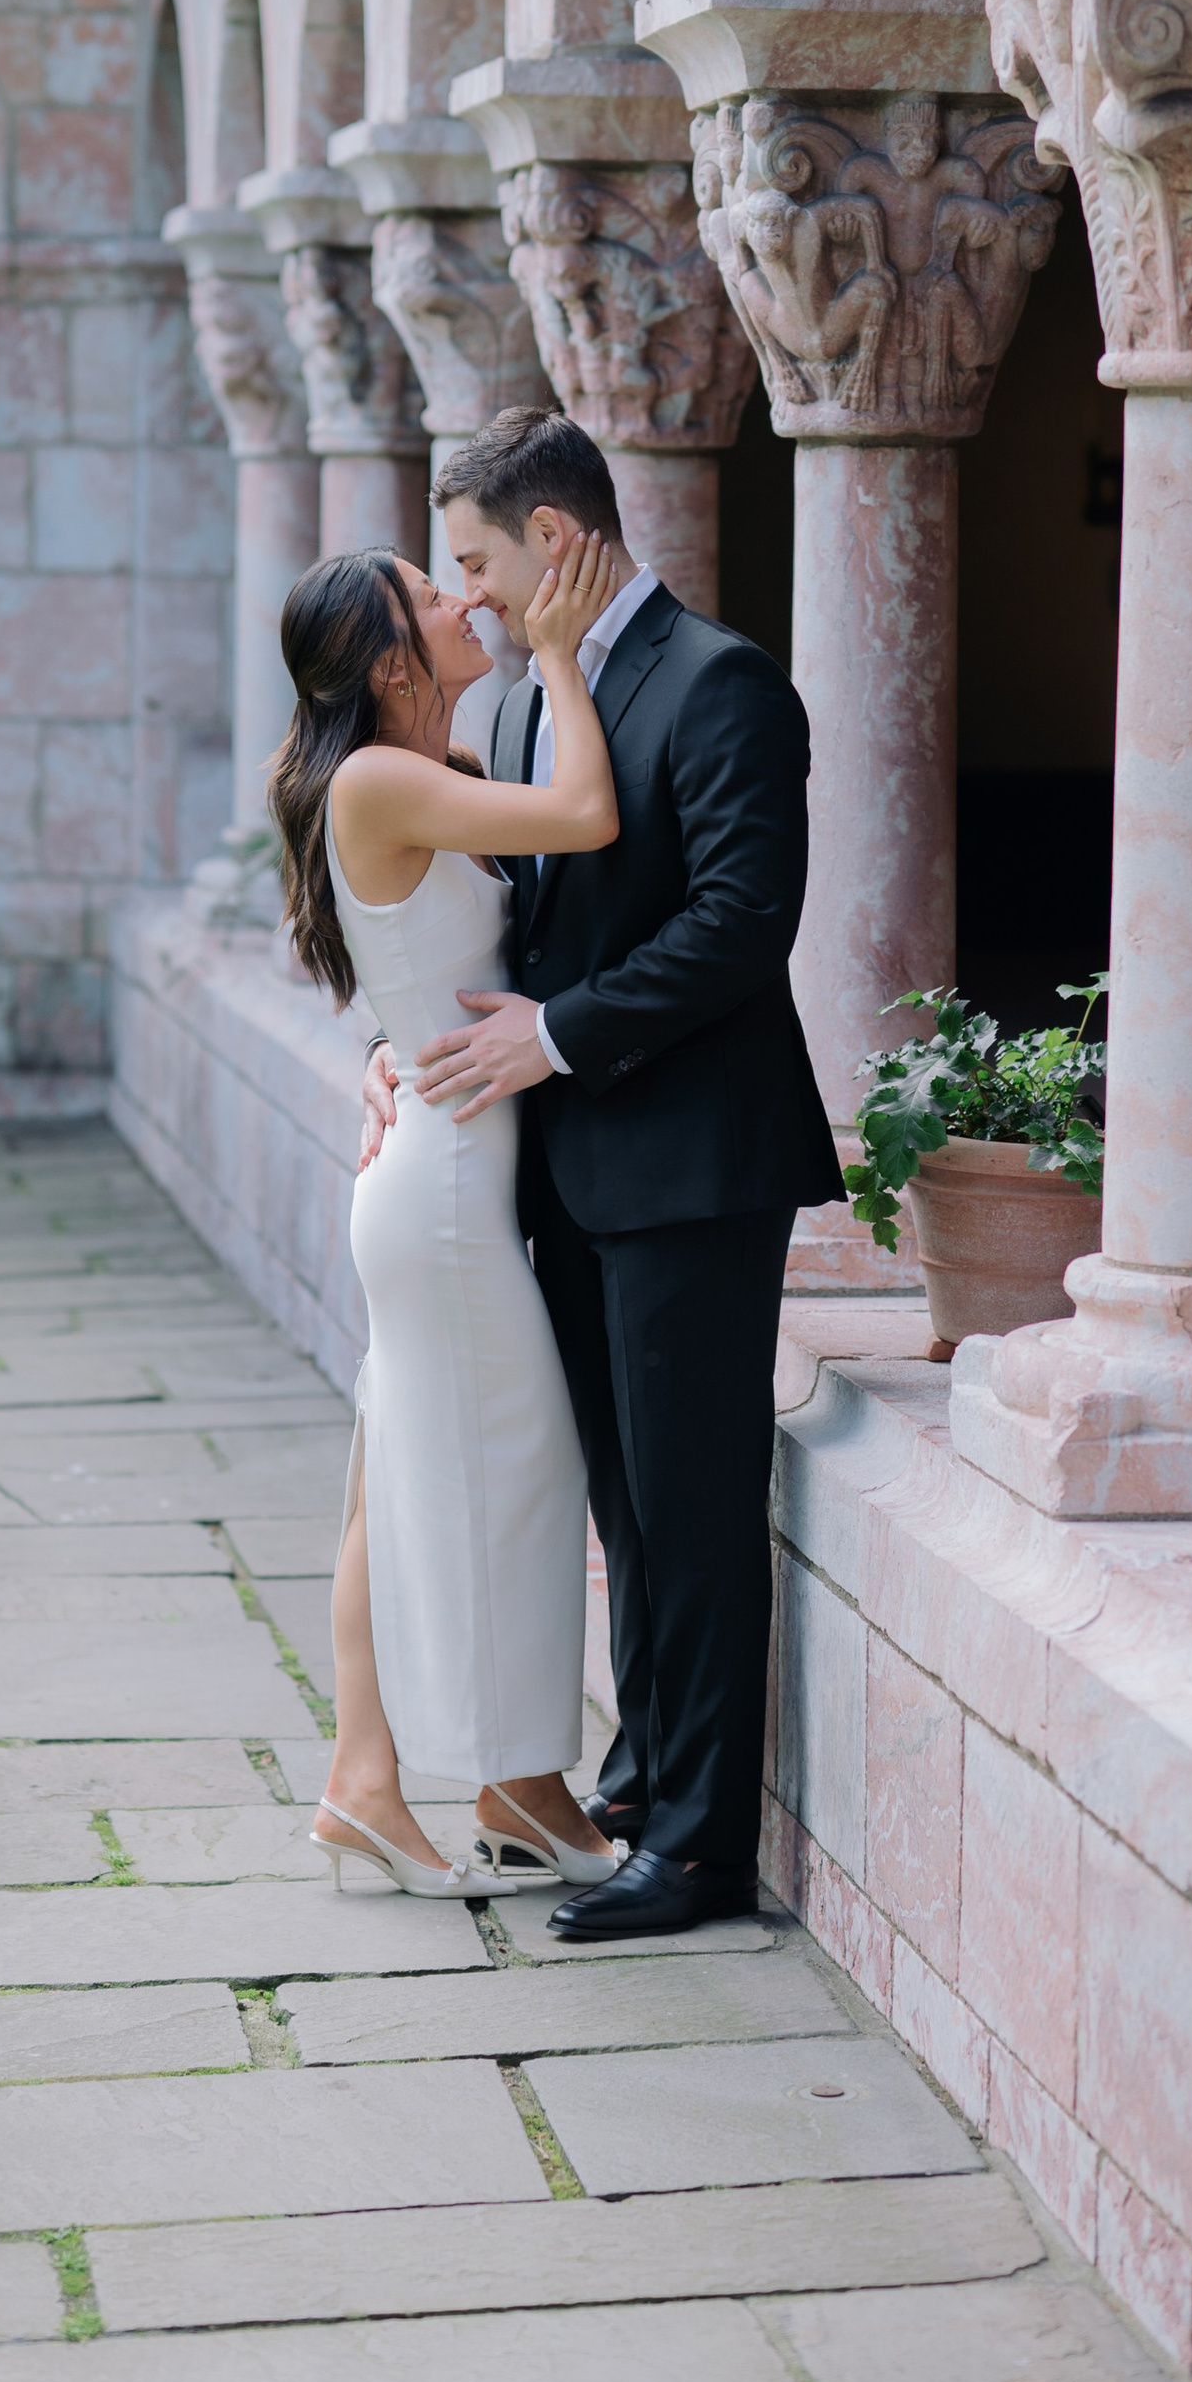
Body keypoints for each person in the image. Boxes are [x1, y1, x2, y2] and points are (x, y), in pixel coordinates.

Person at [363, 406, 839, 1939]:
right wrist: (405, 1050)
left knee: (695, 1507)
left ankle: (698, 1851)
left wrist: (558, 1036)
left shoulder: (725, 682)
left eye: (480, 562)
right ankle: (645, 1774)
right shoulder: (510, 711)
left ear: (556, 538)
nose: (473, 596)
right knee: (626, 1500)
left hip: (695, 1161)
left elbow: (740, 922)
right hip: (562, 1171)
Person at [270, 530, 631, 1896]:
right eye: (433, 592)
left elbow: (414, 967)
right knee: (508, 1477)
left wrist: (385, 1045)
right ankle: (517, 1781)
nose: (462, 591)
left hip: (441, 1169)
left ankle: (385, 1783)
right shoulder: (377, 776)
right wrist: (557, 646)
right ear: (387, 660)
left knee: (399, 1485)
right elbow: (588, 815)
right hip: (442, 1195)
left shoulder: (428, 776)